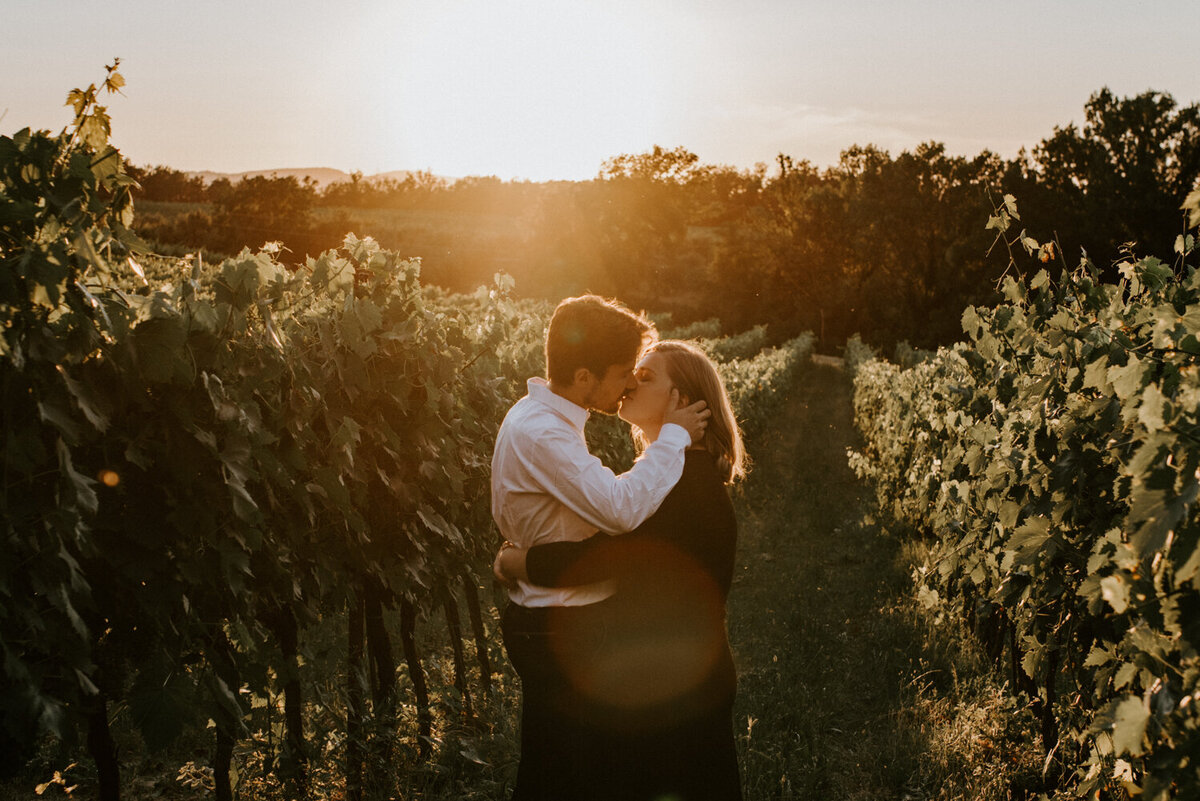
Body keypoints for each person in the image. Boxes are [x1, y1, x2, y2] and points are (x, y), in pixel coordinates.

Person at [496, 339, 746, 801]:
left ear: (684, 402)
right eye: (633, 371)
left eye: (647, 377)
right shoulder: (673, 474)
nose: (631, 382)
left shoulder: (685, 482)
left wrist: (520, 561)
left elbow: (604, 561)